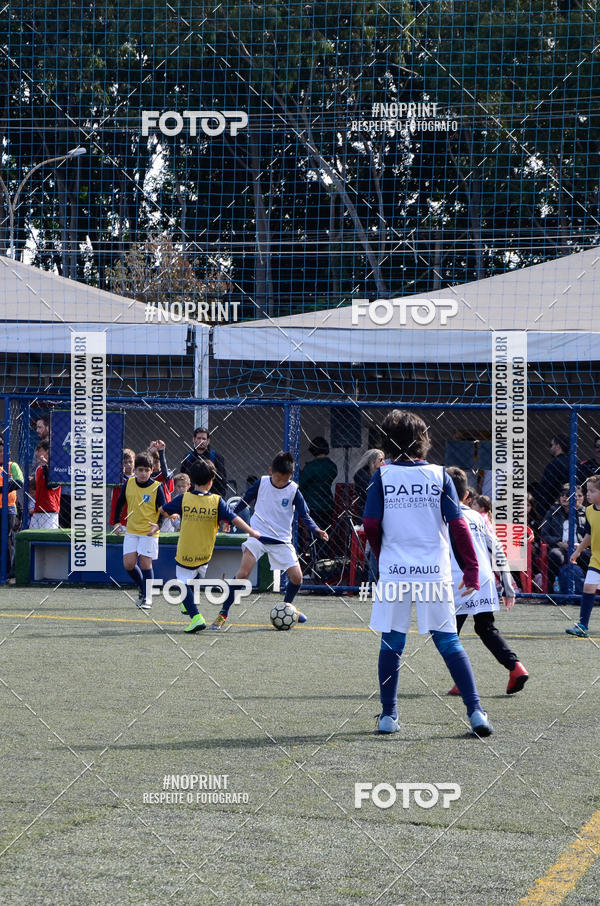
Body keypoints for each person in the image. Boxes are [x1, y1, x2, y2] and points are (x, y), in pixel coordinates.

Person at [362, 409, 493, 737]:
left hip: (396, 572)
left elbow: (370, 525)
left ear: (387, 444)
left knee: (392, 642)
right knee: (449, 641)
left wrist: (382, 557)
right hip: (433, 572)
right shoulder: (439, 475)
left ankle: (388, 716)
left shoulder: (382, 476)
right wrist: (472, 568)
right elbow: (458, 525)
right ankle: (476, 712)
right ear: (423, 441)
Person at [210, 450, 329, 630]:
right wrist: (228, 519)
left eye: (285, 479)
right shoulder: (262, 483)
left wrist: (316, 529)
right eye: (278, 478)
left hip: (281, 540)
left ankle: (287, 609)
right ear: (270, 470)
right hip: (258, 535)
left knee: (297, 578)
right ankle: (223, 613)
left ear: (291, 475)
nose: (281, 482)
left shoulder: (294, 490)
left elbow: (304, 515)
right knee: (243, 574)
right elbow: (244, 502)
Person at [445, 467, 528, 695]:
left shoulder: (443, 516)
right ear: (465, 496)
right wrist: (508, 586)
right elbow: (498, 548)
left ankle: (463, 680)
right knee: (485, 627)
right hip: (484, 578)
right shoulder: (478, 517)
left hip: (460, 580)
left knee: (448, 633)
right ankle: (516, 667)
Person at [155, 460, 259, 633]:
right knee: (194, 579)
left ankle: (196, 617)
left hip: (186, 551)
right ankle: (187, 604)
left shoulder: (184, 498)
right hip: (205, 552)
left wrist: (170, 514)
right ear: (212, 480)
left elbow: (163, 509)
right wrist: (251, 531)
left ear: (193, 481)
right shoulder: (217, 501)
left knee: (181, 584)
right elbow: (234, 518)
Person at [113, 452, 166, 610]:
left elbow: (163, 509)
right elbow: (120, 502)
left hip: (149, 532)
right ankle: (143, 589)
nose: (143, 473)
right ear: (135, 470)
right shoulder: (128, 483)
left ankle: (148, 598)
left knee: (145, 563)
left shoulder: (157, 487)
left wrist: (158, 525)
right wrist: (116, 522)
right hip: (132, 530)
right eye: (140, 470)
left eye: (146, 470)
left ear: (151, 470)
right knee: (128, 564)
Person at [566, 474, 600, 637]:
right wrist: (578, 551)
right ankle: (582, 626)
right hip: (596, 558)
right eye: (587, 491)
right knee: (588, 587)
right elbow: (589, 534)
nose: (588, 494)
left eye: (592, 491)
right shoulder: (589, 511)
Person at [540, 484, 589, 590]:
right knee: (555, 555)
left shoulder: (586, 512)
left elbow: (592, 535)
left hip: (580, 547)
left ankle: (587, 590)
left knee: (587, 556)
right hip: (560, 547)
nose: (564, 497)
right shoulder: (553, 511)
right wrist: (559, 542)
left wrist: (581, 545)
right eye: (562, 494)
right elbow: (544, 534)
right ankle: (552, 592)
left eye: (568, 494)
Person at [299, 436, 338, 531]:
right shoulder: (332, 466)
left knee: (312, 532)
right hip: (327, 503)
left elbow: (301, 484)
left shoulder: (311, 467)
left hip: (312, 505)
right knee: (325, 531)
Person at [0, 437, 24, 582]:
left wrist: (2, 490)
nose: (1, 454)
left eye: (2, 451)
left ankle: (8, 573)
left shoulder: (12, 466)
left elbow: (19, 482)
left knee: (7, 540)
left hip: (8, 509)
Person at [180, 427, 227, 497]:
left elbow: (222, 482)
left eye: (204, 439)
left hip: (211, 498)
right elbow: (182, 478)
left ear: (208, 441)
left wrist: (217, 499)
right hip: (191, 497)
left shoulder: (216, 457)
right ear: (193, 439)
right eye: (198, 438)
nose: (201, 441)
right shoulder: (188, 457)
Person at [30, 441, 61, 529]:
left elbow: (51, 486)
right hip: (38, 509)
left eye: (40, 451)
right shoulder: (38, 469)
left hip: (50, 510)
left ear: (47, 452)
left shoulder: (56, 468)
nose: (37, 454)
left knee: (48, 539)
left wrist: (46, 467)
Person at [536, 434, 570, 517]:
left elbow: (545, 488)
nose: (550, 448)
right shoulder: (574, 462)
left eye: (551, 445)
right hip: (571, 503)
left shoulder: (554, 464)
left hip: (554, 505)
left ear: (558, 446)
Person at [148, 440, 175, 530]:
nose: (154, 465)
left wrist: (161, 452)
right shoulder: (146, 475)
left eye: (156, 462)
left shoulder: (166, 473)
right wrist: (149, 452)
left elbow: (165, 474)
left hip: (165, 512)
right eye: (152, 462)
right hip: (149, 511)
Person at [352, 449, 385, 515]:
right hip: (366, 509)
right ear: (372, 460)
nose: (383, 462)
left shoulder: (378, 473)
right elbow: (369, 492)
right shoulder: (362, 473)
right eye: (380, 460)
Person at [109, 449, 135, 528]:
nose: (128, 464)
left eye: (130, 462)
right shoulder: (116, 477)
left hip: (133, 515)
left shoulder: (138, 477)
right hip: (119, 517)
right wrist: (120, 472)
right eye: (125, 462)